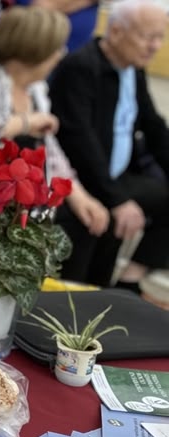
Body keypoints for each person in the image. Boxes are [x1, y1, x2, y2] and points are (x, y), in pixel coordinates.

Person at [0, 6, 109, 239]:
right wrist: (25, 123)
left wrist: (79, 196)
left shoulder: (35, 90)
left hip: (17, 210)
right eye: (56, 48)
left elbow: (50, 154)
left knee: (86, 223)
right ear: (36, 51)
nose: (61, 54)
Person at [50, 0, 169, 291]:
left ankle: (130, 281)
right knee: (83, 279)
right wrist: (117, 200)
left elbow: (154, 128)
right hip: (79, 185)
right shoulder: (80, 68)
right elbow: (80, 143)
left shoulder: (133, 68)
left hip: (114, 179)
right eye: (147, 36)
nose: (154, 46)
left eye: (160, 37)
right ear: (115, 32)